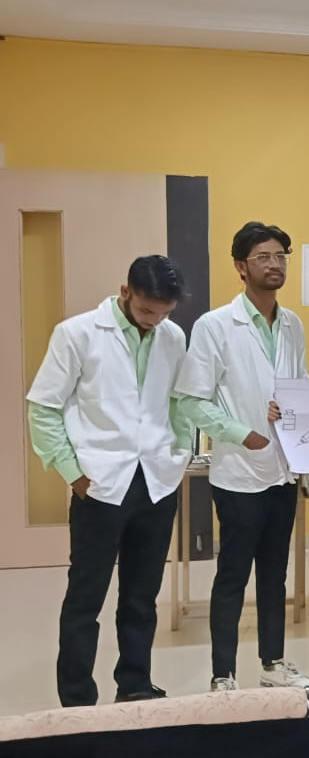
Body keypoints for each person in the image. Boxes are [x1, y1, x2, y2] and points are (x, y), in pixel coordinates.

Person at [27, 256, 191, 706]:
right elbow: (43, 408)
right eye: (146, 311)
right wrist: (72, 473)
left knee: (142, 595)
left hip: (156, 482)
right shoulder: (77, 333)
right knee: (86, 597)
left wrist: (179, 454)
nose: (154, 321)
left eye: (164, 313)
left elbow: (178, 403)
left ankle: (135, 684)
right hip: (98, 484)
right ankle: (77, 696)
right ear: (125, 292)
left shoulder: (173, 337)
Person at [175, 221, 309, 691]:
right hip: (238, 473)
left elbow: (298, 387)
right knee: (232, 575)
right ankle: (223, 673)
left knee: (275, 575)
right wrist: (242, 433)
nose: (275, 265)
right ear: (240, 266)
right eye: (263, 257)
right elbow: (192, 400)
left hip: (283, 472)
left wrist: (297, 416)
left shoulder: (292, 325)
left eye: (281, 256)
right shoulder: (215, 326)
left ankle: (273, 663)